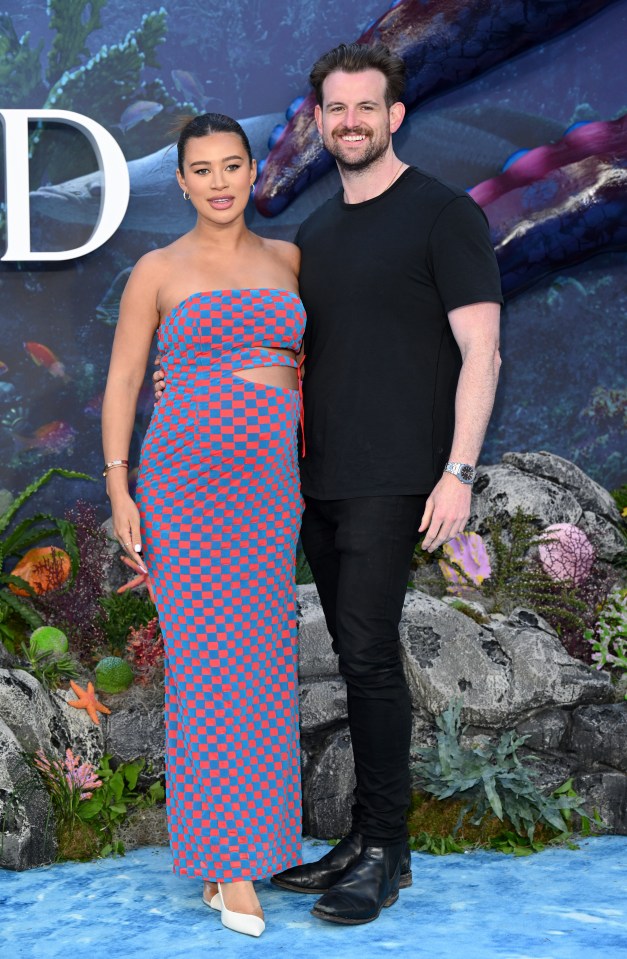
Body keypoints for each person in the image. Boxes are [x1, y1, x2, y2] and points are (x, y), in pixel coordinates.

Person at [155, 42, 503, 926]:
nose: (349, 122)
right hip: (308, 482)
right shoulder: (312, 237)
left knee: (369, 651)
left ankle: (387, 848)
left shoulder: (443, 215)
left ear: (395, 116)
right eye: (334, 110)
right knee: (350, 655)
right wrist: (186, 379)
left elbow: (482, 351)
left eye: (365, 108)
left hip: (396, 479)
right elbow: (274, 348)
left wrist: (457, 470)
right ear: (319, 121)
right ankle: (360, 835)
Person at [102, 113, 306, 939]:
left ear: (254, 171)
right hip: (184, 484)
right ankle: (232, 868)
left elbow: (309, 375)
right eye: (201, 169)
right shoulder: (155, 269)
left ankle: (245, 850)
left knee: (263, 668)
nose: (219, 181)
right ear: (180, 182)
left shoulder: (289, 261)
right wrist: (121, 488)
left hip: (268, 489)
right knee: (206, 672)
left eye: (232, 165)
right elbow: (121, 385)